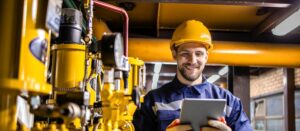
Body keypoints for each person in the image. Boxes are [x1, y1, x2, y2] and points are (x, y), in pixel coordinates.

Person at [133, 20, 252, 131]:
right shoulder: (153, 101)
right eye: (185, 54)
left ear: (206, 57)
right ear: (175, 55)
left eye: (199, 54)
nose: (192, 60)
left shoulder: (229, 102)